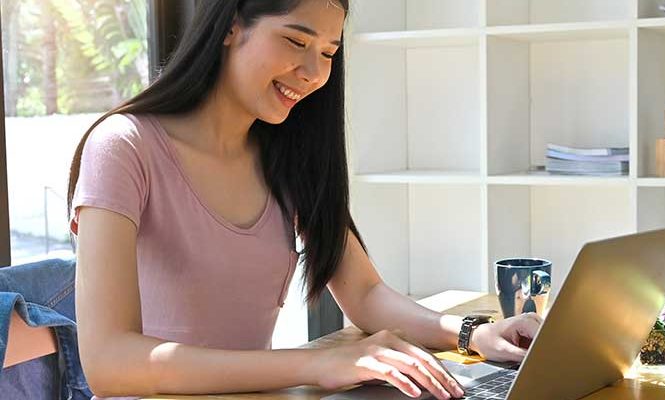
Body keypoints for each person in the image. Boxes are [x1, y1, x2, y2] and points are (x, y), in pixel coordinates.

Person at [66, 1, 543, 399]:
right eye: (296, 41)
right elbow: (110, 362)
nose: (314, 73)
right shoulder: (123, 147)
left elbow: (364, 293)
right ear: (232, 25)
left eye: (328, 52)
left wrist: (472, 334)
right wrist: (316, 363)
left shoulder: (284, 155)